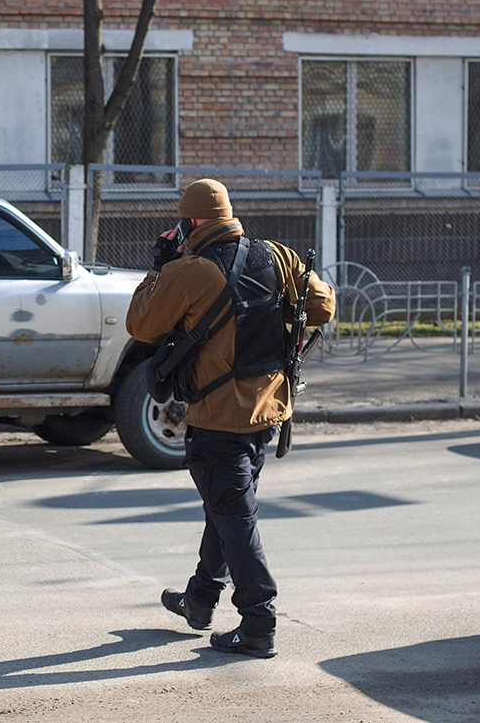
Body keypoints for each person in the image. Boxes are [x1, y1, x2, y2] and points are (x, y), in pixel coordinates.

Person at [125, 178, 336, 658]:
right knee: (226, 508)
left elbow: (141, 322)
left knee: (235, 518)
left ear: (191, 222)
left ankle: (259, 622)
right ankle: (199, 600)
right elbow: (323, 305)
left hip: (218, 418)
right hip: (268, 412)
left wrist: (160, 267)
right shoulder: (275, 255)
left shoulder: (189, 271)